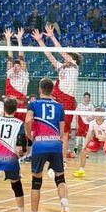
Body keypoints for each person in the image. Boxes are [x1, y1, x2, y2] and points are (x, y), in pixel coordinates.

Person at [32, 25, 82, 161]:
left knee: (65, 132)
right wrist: (40, 41)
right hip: (57, 101)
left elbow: (60, 51)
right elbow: (49, 55)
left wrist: (52, 37)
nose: (65, 57)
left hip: (68, 102)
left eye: (68, 55)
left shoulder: (74, 67)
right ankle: (49, 153)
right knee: (52, 128)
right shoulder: (61, 68)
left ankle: (63, 159)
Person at [25, 77, 71, 212]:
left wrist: (29, 136)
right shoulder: (59, 106)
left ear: (40, 89)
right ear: (52, 90)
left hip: (39, 144)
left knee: (36, 183)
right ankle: (65, 207)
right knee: (60, 178)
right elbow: (62, 131)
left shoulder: (33, 104)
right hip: (55, 144)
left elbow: (28, 120)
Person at [4, 27, 32, 163]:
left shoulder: (24, 75)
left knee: (25, 131)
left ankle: (27, 153)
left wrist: (19, 39)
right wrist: (8, 39)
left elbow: (21, 56)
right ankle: (10, 152)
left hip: (21, 107)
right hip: (10, 107)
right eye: (14, 65)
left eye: (18, 65)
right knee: (10, 131)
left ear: (21, 67)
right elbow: (10, 56)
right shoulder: (10, 74)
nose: (16, 66)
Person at [73, 107, 106, 181]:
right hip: (96, 140)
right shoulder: (92, 123)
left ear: (102, 114)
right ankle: (81, 171)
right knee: (83, 151)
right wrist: (85, 145)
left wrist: (105, 145)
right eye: (95, 114)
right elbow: (89, 134)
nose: (95, 115)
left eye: (97, 114)